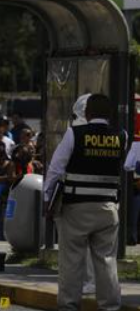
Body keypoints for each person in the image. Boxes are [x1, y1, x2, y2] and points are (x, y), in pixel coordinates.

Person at [44, 94, 126, 311]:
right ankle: (110, 306)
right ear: (109, 114)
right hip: (108, 208)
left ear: (87, 112)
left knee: (72, 260)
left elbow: (55, 169)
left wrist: (46, 199)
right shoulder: (121, 136)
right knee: (106, 261)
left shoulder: (75, 134)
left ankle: (69, 306)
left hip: (76, 207)